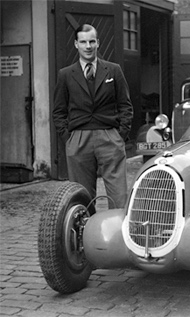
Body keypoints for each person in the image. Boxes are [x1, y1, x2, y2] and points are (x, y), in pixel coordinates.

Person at [53, 24, 133, 209]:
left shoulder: (113, 70)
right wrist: (68, 137)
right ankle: (84, 235)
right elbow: (59, 110)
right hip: (79, 139)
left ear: (97, 42)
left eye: (91, 41)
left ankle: (116, 234)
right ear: (76, 44)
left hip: (110, 136)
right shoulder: (65, 74)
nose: (88, 46)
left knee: (119, 196)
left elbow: (125, 105)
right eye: (83, 42)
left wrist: (120, 135)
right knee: (81, 196)